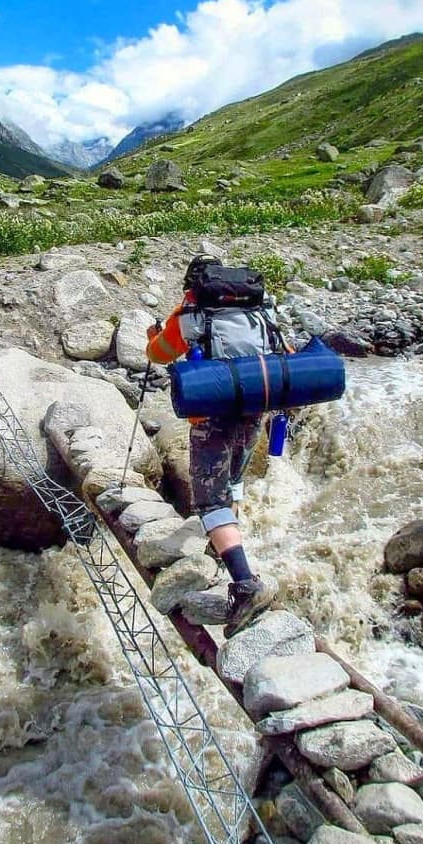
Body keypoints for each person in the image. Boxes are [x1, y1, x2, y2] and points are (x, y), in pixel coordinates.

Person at [146, 254, 278, 638]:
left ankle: (246, 585)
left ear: (193, 285)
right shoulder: (257, 309)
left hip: (212, 415)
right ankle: (219, 548)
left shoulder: (191, 313)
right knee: (233, 480)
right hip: (255, 404)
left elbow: (158, 354)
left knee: (209, 502)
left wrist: (153, 337)